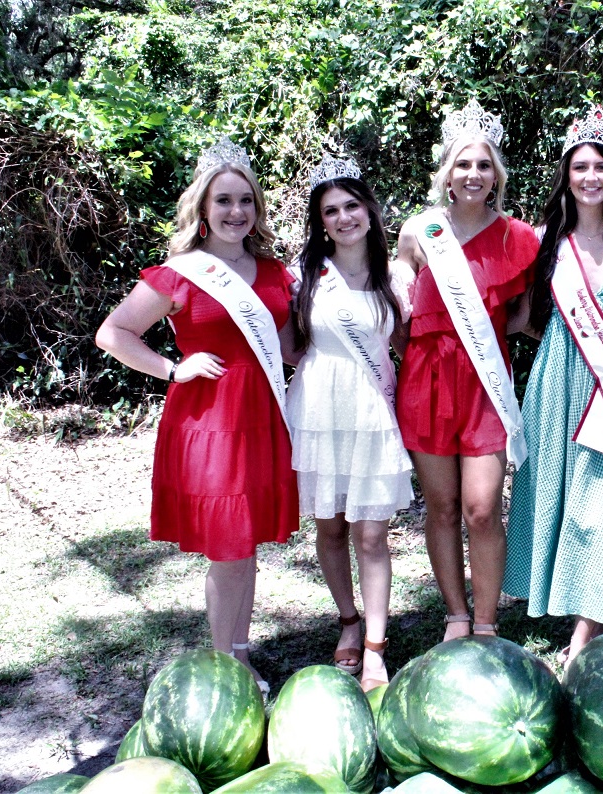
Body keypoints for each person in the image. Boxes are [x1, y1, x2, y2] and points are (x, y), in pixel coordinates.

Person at [95, 137, 298, 694]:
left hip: (263, 416)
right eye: (224, 201)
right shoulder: (179, 274)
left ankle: (238, 653)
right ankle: (225, 666)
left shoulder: (276, 273)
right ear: (203, 211)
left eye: (246, 202)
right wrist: (170, 368)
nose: (236, 212)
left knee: (246, 543)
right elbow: (112, 333)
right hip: (210, 420)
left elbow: (286, 347)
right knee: (229, 546)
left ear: (256, 209)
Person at [504, 105, 603, 665]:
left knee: (602, 496)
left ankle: (586, 628)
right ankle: (551, 595)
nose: (590, 176)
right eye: (580, 166)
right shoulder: (545, 238)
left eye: (601, 166)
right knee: (552, 490)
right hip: (554, 378)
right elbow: (523, 314)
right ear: (566, 175)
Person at [394, 99, 538, 641]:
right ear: (446, 175)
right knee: (443, 506)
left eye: (482, 165)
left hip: (485, 384)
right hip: (427, 381)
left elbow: (523, 313)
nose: (472, 174)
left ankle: (485, 621)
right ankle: (456, 614)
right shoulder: (418, 232)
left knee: (481, 509)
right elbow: (399, 309)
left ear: (495, 174)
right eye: (462, 165)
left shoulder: (519, 239)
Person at [282, 153, 414, 692]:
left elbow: (407, 348)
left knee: (372, 532)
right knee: (330, 526)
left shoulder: (396, 276)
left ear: (368, 210)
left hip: (371, 410)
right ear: (320, 220)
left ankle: (378, 645)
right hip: (318, 406)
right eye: (330, 210)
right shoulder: (306, 275)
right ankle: (349, 622)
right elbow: (289, 348)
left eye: (351, 206)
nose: (343, 218)